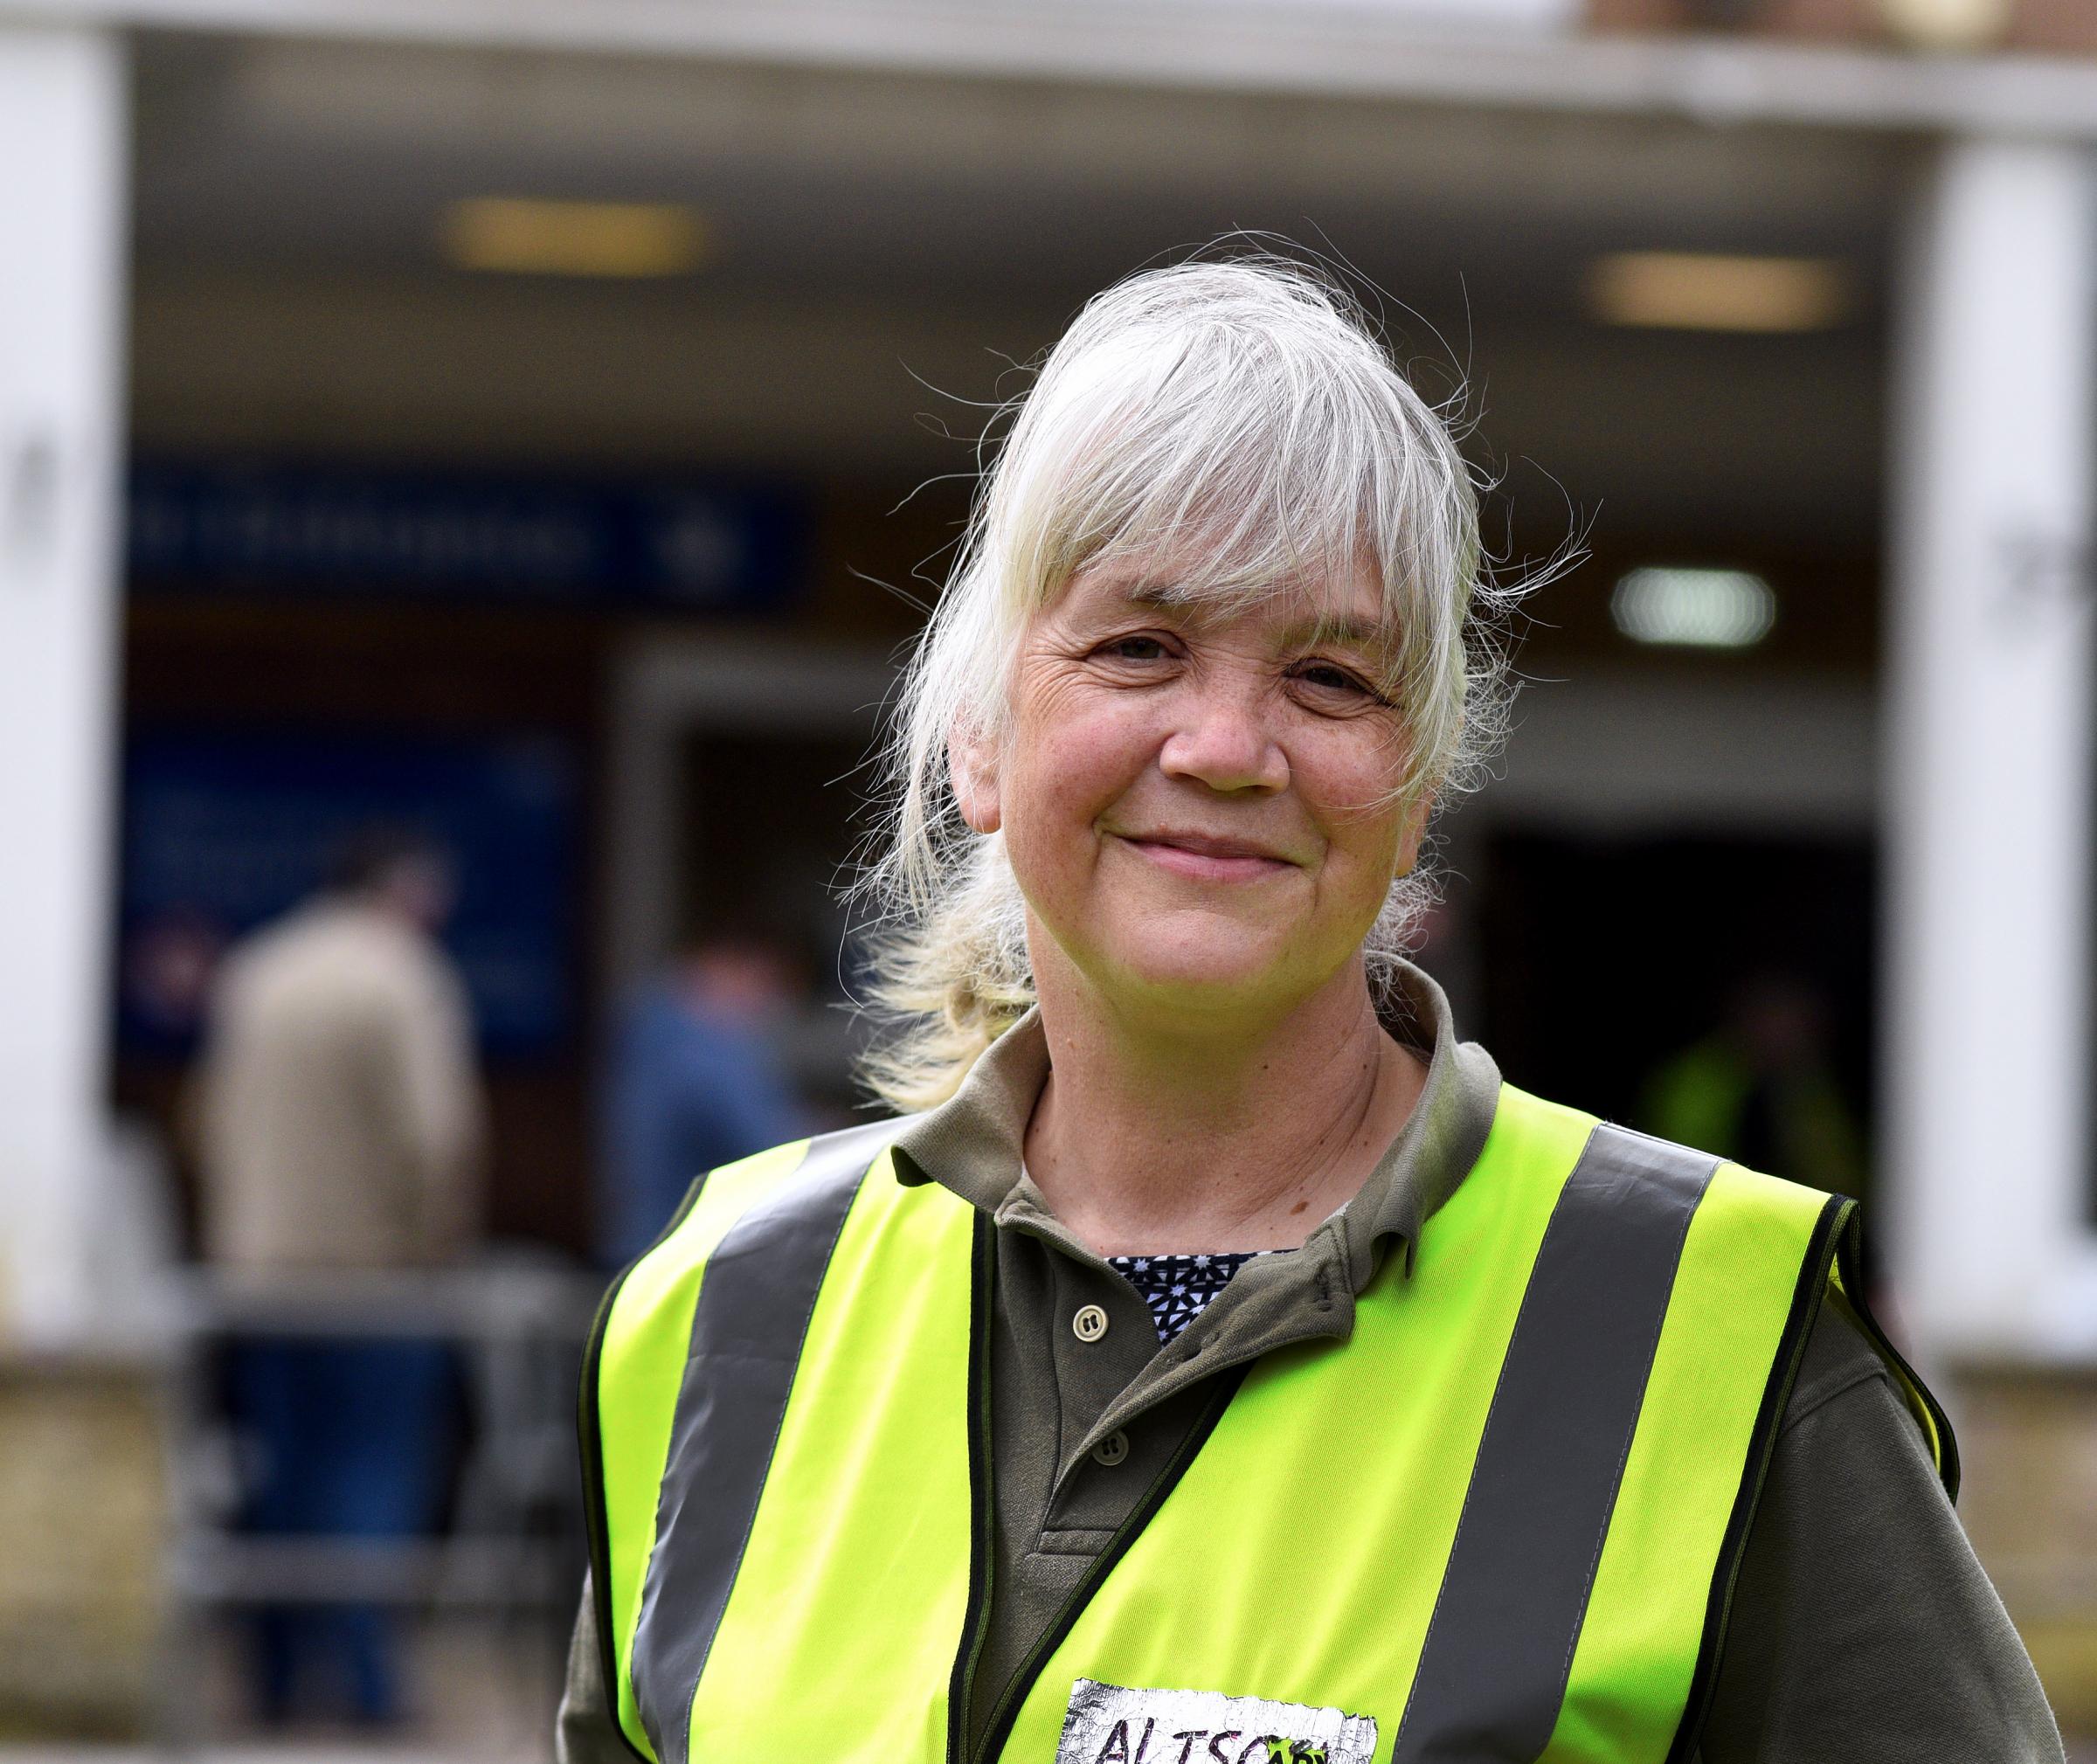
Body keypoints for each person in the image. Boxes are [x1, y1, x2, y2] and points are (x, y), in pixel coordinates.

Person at [556, 259, 2064, 1763]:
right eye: (1138, 645)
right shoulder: (717, 1306)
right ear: (980, 742)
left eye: (1331, 675)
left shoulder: (1728, 1334)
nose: (1224, 744)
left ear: (1417, 798)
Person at [191, 826, 485, 1726]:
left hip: (258, 1276)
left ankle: (273, 1685)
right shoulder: (402, 978)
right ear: (400, 891)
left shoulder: (258, 971)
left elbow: (206, 1118)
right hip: (375, 1279)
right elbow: (436, 1137)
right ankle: (367, 1689)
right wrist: (437, 1244)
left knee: (278, 1479)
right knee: (371, 1478)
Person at [595, 930, 809, 1267]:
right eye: (766, 986)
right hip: (691, 1258)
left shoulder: (646, 1030)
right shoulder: (707, 1052)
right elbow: (784, 1154)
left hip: (636, 1245)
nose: (767, 1010)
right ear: (729, 969)